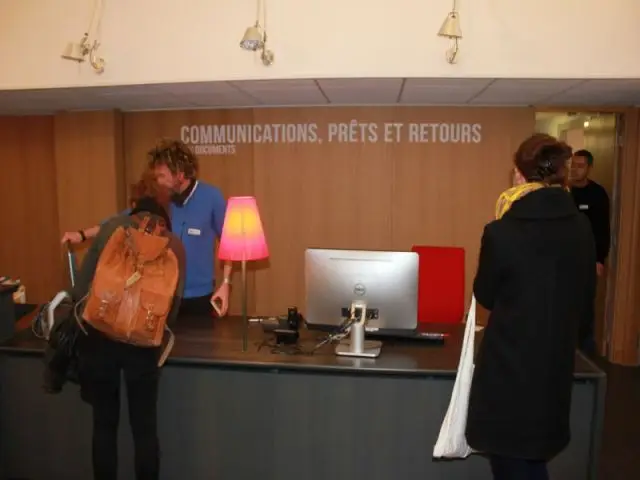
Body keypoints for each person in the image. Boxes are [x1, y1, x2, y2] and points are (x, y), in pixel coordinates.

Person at [466, 134, 597, 480]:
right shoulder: (581, 227)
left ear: (519, 176)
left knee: (510, 459)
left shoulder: (501, 231)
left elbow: (486, 296)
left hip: (509, 366)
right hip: (555, 363)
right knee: (532, 455)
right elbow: (586, 296)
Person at [74, 194, 186, 480]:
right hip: (144, 346)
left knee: (104, 425)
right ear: (163, 219)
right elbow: (172, 308)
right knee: (145, 428)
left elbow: (82, 290)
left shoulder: (112, 227)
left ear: (134, 211)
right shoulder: (172, 243)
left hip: (101, 340)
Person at [61, 140, 232, 316]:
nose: (157, 180)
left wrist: (226, 283)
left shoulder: (212, 197)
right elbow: (120, 220)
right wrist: (81, 235)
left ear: (180, 175)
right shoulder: (157, 198)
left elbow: (230, 243)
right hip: (162, 294)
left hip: (199, 298)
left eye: (162, 176)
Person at [569, 149, 611, 277]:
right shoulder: (563, 191)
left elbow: (602, 228)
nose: (575, 169)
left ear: (589, 168)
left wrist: (599, 259)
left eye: (580, 166)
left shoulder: (597, 194)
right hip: (565, 252)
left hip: (587, 254)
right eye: (573, 165)